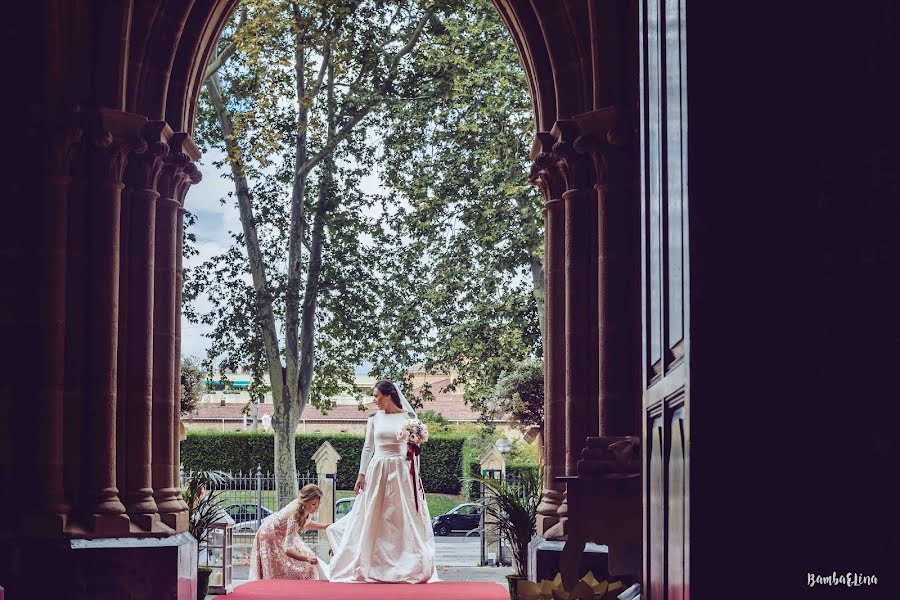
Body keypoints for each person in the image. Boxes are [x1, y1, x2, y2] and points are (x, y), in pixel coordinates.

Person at [324, 380, 439, 583]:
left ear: (388, 396)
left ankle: (405, 563)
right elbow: (368, 448)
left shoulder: (409, 418)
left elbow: (415, 453)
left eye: (376, 396)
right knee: (374, 515)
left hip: (401, 472)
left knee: (399, 517)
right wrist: (361, 475)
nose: (374, 400)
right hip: (378, 469)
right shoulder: (374, 418)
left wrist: (416, 478)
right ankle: (370, 563)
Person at [248, 483, 330, 581]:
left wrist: (326, 526)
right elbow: (288, 549)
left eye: (318, 504)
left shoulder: (305, 509)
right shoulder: (295, 516)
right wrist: (306, 558)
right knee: (279, 568)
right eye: (313, 504)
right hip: (270, 535)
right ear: (305, 501)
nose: (316, 508)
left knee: (306, 559)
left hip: (283, 532)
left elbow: (305, 523)